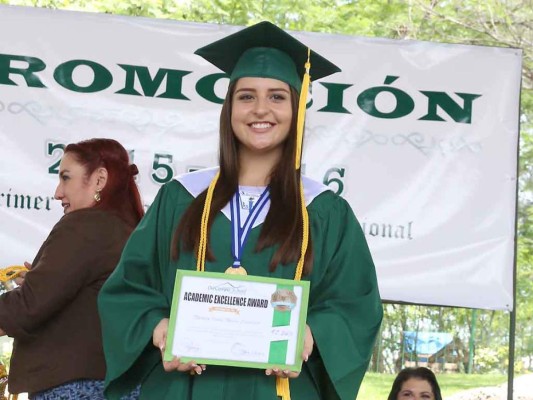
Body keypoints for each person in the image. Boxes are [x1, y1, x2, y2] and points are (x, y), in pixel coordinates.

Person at [98, 22, 383, 400]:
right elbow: (129, 288)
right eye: (246, 96)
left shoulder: (324, 211)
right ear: (229, 108)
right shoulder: (181, 198)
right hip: (184, 389)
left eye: (278, 97)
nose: (261, 109)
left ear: (297, 110)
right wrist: (158, 327)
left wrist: (310, 336)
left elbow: (356, 306)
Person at [0, 138, 144, 399]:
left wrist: (34, 290)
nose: (58, 192)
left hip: (75, 388)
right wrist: (41, 281)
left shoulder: (85, 226)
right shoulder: (126, 229)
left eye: (66, 178)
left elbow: (29, 306)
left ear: (99, 180)